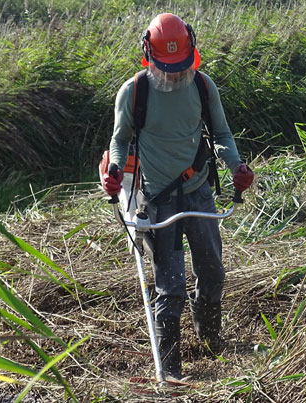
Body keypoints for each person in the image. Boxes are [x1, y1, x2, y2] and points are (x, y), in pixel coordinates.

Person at [102, 13, 254, 381]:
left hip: (198, 192)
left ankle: (211, 338)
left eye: (180, 65)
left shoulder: (202, 86)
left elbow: (221, 133)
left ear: (192, 54)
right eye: (167, 67)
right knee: (170, 287)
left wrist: (235, 165)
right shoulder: (134, 92)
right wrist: (115, 171)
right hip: (158, 199)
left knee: (212, 271)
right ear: (149, 56)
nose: (174, 74)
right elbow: (120, 141)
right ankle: (170, 368)